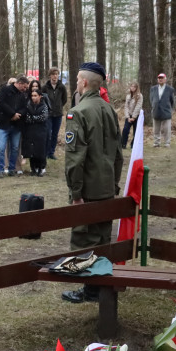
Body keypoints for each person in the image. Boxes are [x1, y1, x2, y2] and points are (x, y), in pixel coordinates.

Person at [61, 62, 124, 304]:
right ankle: (97, 288)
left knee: (84, 240)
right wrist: (114, 184)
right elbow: (118, 154)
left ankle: (89, 290)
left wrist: (76, 193)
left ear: (85, 82)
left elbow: (75, 160)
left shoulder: (78, 112)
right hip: (107, 187)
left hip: (88, 190)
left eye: (77, 79)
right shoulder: (109, 110)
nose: (76, 83)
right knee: (102, 239)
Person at [0, 75, 29, 177]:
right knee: (1, 147)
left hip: (16, 125)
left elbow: (24, 108)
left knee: (15, 148)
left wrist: (18, 115)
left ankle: (12, 168)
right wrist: (12, 114)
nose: (25, 89)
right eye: (24, 87)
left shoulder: (22, 95)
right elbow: (2, 104)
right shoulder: (5, 90)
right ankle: (0, 169)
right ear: (20, 83)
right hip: (3, 124)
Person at [21, 85, 49, 176]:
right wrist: (34, 118)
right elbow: (27, 117)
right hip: (30, 131)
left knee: (40, 149)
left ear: (40, 96)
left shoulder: (44, 105)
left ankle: (41, 167)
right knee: (31, 150)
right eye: (32, 95)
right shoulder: (28, 105)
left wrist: (33, 118)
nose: (33, 97)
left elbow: (43, 117)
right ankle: (33, 168)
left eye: (35, 95)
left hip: (41, 131)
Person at [42, 68, 68, 160]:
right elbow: (42, 99)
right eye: (53, 74)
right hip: (48, 114)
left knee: (55, 134)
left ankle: (51, 153)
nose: (55, 76)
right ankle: (45, 152)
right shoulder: (45, 87)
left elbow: (64, 99)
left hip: (58, 114)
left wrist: (59, 106)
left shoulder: (61, 87)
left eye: (56, 74)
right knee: (48, 133)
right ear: (50, 76)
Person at [149, 72, 176, 147]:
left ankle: (167, 143)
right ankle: (156, 143)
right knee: (156, 129)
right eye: (159, 78)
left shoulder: (170, 89)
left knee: (167, 129)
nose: (160, 79)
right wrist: (154, 106)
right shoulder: (153, 88)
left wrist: (169, 109)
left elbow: (172, 101)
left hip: (166, 111)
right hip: (156, 111)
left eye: (162, 78)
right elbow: (151, 99)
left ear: (165, 79)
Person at [120, 82, 142, 149]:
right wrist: (128, 117)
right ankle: (123, 144)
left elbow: (138, 106)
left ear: (136, 88)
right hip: (128, 116)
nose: (132, 88)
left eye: (134, 87)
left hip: (136, 116)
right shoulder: (128, 95)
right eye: (131, 86)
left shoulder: (139, 96)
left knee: (136, 131)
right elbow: (126, 106)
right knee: (125, 130)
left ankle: (133, 145)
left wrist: (134, 117)